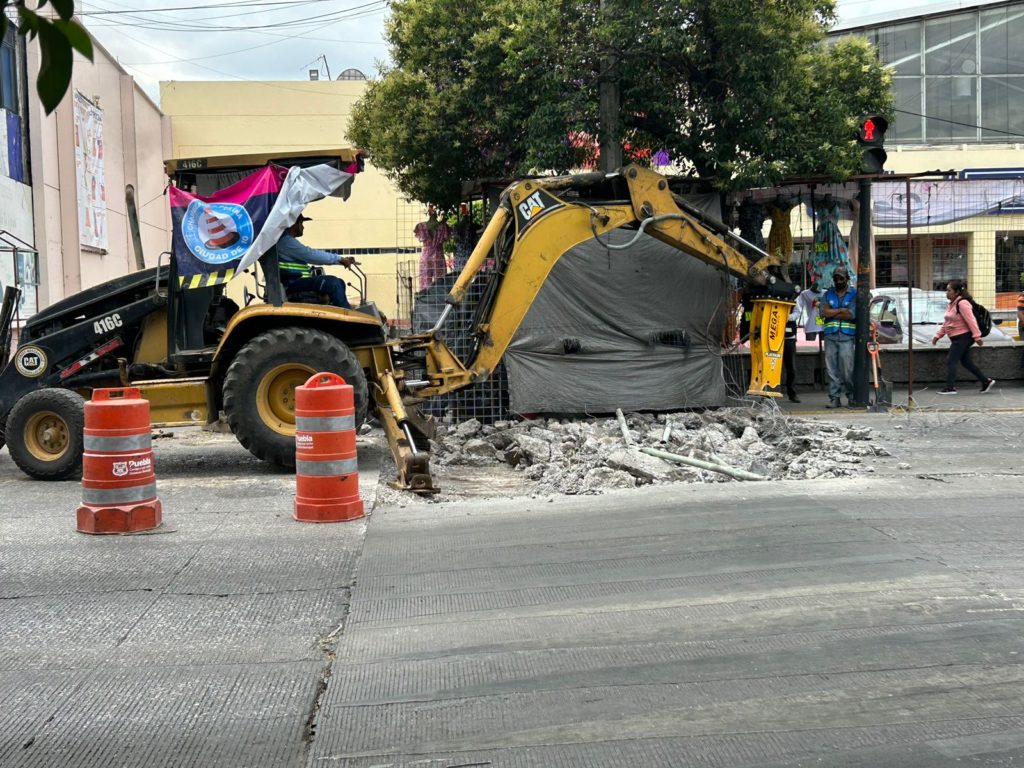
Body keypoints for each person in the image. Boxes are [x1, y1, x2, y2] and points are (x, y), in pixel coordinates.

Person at [277, 214, 357, 309]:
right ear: (293, 223)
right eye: (301, 223)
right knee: (333, 284)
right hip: (292, 284)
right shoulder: (285, 242)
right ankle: (347, 317)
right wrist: (339, 259)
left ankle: (338, 314)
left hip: (295, 282)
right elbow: (310, 254)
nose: (303, 227)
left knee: (340, 283)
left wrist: (340, 261)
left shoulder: (284, 241)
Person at [931, 279, 995, 395]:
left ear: (956, 292)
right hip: (957, 337)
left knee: (951, 361)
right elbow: (947, 323)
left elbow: (971, 321)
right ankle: (986, 381)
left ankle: (950, 388)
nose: (947, 292)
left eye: (949, 290)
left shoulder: (962, 303)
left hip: (963, 337)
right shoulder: (951, 304)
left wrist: (977, 337)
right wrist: (938, 336)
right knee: (966, 362)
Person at [821, 266, 857, 408]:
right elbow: (823, 313)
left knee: (847, 370)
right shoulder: (827, 294)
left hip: (847, 338)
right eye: (836, 278)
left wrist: (832, 311)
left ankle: (852, 396)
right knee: (831, 370)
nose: (838, 280)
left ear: (847, 279)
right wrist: (841, 310)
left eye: (841, 278)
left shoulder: (854, 294)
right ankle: (834, 398)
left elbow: (851, 314)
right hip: (830, 336)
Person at [414, 205, 451, 291]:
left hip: (426, 256)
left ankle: (425, 301)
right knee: (440, 282)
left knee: (425, 283)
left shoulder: (421, 226)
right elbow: (447, 237)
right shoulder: (443, 227)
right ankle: (440, 301)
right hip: (438, 255)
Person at [783, 301, 800, 403]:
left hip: (789, 337)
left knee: (791, 368)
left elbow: (797, 313)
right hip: (772, 336)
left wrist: (784, 317)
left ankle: (792, 393)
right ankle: (768, 395)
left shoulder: (793, 299)